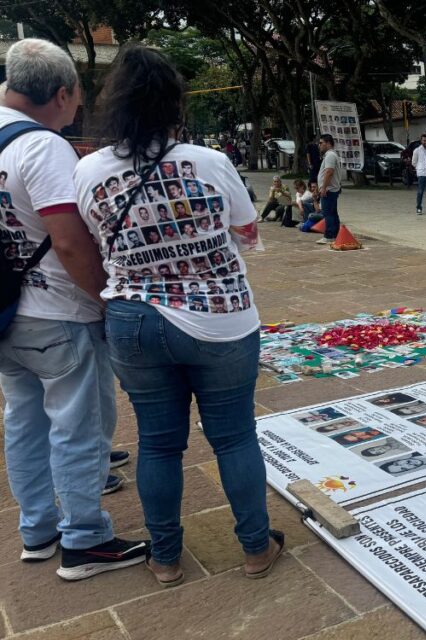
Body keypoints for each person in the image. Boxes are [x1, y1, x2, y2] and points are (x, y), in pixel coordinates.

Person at [73, 44, 282, 587]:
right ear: (175, 104)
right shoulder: (209, 162)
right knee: (234, 437)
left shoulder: (89, 171)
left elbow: (94, 244)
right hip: (220, 319)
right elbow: (247, 232)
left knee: (158, 443)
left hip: (133, 322)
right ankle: (256, 548)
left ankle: (164, 557)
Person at [0, 38, 148, 580]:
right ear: (61, 94)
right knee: (79, 426)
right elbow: (69, 242)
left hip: (6, 314)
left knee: (23, 421)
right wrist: (106, 298)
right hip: (58, 314)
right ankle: (85, 539)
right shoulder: (42, 149)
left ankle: (37, 531)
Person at [316, 133, 342, 245]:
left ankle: (329, 235)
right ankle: (335, 234)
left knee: (328, 213)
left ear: (328, 143)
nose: (319, 145)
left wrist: (324, 188)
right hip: (330, 189)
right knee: (333, 212)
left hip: (329, 190)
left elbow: (329, 172)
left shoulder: (330, 155)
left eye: (321, 143)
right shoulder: (330, 155)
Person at [411, 132, 426, 214]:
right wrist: (419, 168)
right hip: (422, 173)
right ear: (421, 141)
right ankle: (419, 207)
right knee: (420, 191)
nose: (425, 142)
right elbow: (414, 162)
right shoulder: (417, 150)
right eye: (424, 140)